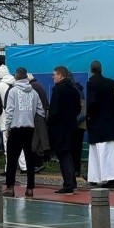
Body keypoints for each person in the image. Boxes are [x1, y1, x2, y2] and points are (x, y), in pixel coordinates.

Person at [3, 67, 45, 198]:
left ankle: (10, 187)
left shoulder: (13, 91)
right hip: (30, 129)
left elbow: (9, 111)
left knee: (12, 159)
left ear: (16, 77)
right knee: (30, 160)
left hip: (16, 128)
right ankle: (30, 188)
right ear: (26, 77)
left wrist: (7, 128)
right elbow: (41, 111)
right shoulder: (34, 92)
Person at [85, 61, 114, 188]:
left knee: (95, 152)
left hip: (95, 122)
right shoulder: (111, 83)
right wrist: (111, 112)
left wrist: (89, 116)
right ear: (101, 69)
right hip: (109, 122)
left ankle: (96, 177)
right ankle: (109, 178)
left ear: (91, 70)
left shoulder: (91, 83)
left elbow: (91, 103)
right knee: (108, 152)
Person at [47, 65, 81, 195]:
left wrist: (50, 124)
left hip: (60, 128)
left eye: (54, 74)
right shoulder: (74, 89)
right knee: (68, 154)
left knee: (62, 155)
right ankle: (73, 182)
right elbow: (78, 109)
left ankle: (68, 185)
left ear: (60, 75)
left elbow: (54, 111)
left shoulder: (58, 90)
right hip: (71, 126)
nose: (53, 77)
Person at [0, 64, 23, 174]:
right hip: (18, 118)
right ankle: (24, 166)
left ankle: (9, 168)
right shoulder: (15, 83)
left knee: (8, 145)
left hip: (5, 118)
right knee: (20, 143)